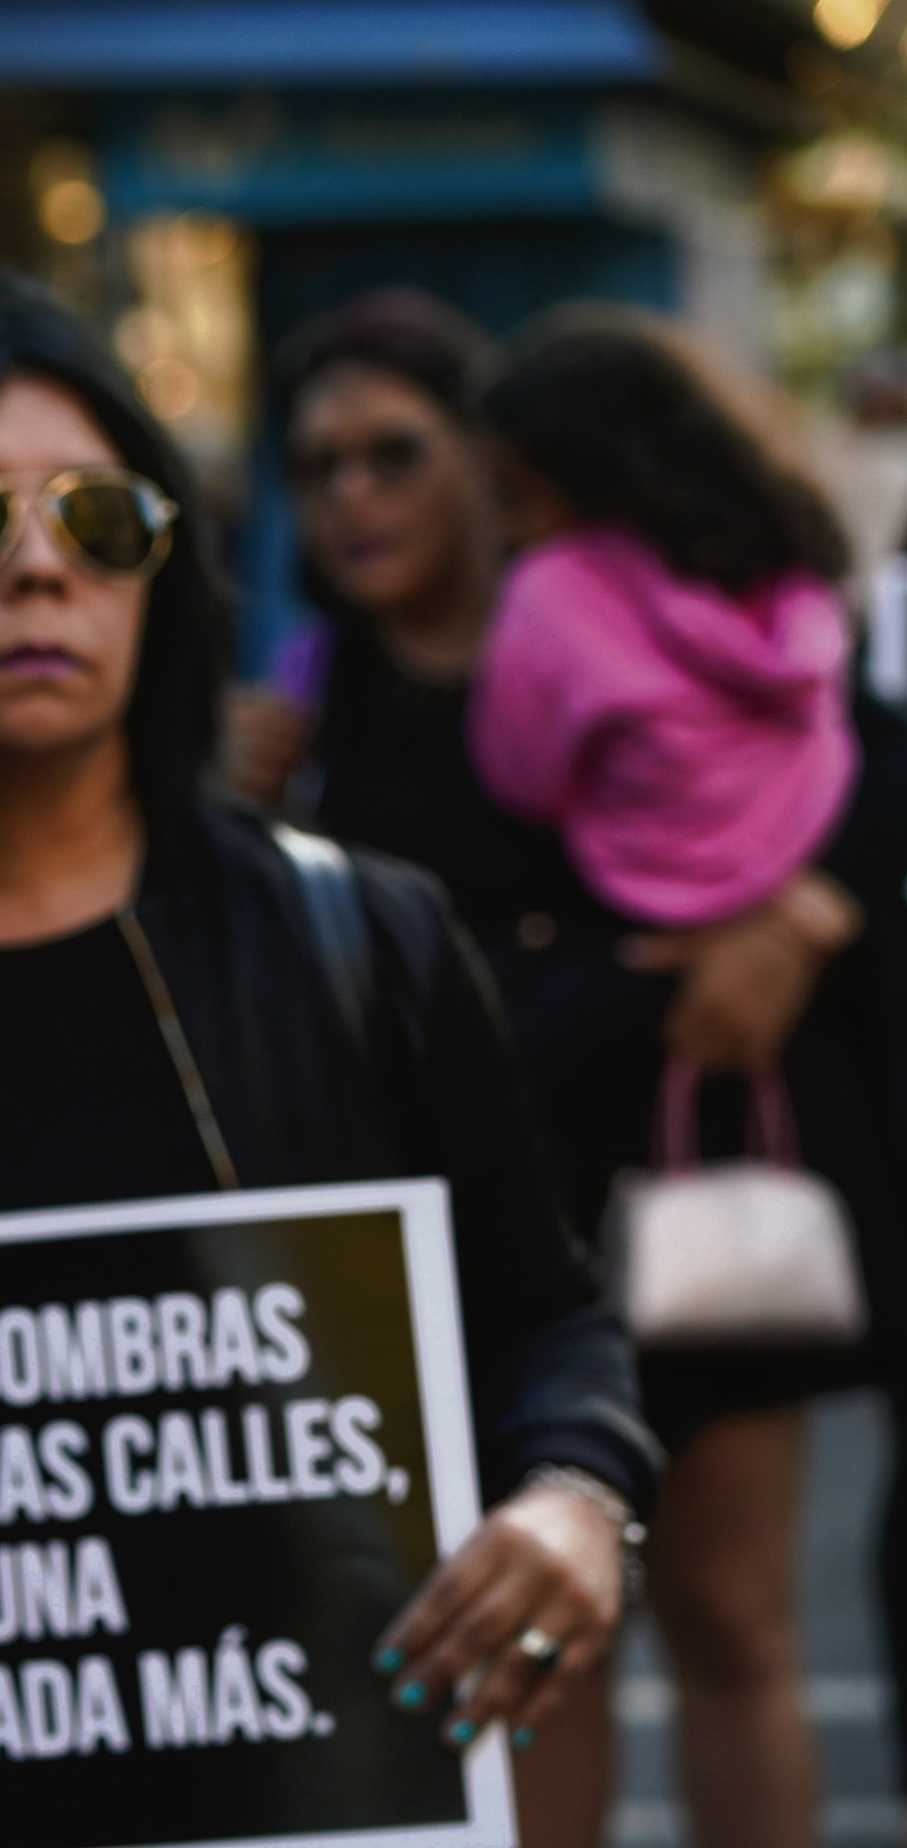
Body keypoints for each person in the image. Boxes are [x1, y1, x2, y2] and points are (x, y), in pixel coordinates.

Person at [0, 275, 659, 1846]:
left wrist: (575, 1499)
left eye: (101, 521)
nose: (40, 567)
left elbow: (545, 1314)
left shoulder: (357, 938)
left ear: (167, 569)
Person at [256, 292, 891, 1848]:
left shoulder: (637, 609)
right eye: (316, 465)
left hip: (678, 1194)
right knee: (532, 1647)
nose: (353, 495)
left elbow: (865, 766)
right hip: (465, 1226)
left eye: (393, 453)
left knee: (735, 1621)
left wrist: (802, 917)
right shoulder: (302, 697)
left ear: (489, 468)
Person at [471, 314, 889, 1848]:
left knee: (546, 1633)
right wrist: (789, 908)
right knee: (746, 1622)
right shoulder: (789, 597)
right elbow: (863, 770)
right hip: (760, 1126)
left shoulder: (552, 599)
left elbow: (519, 773)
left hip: (584, 1144)